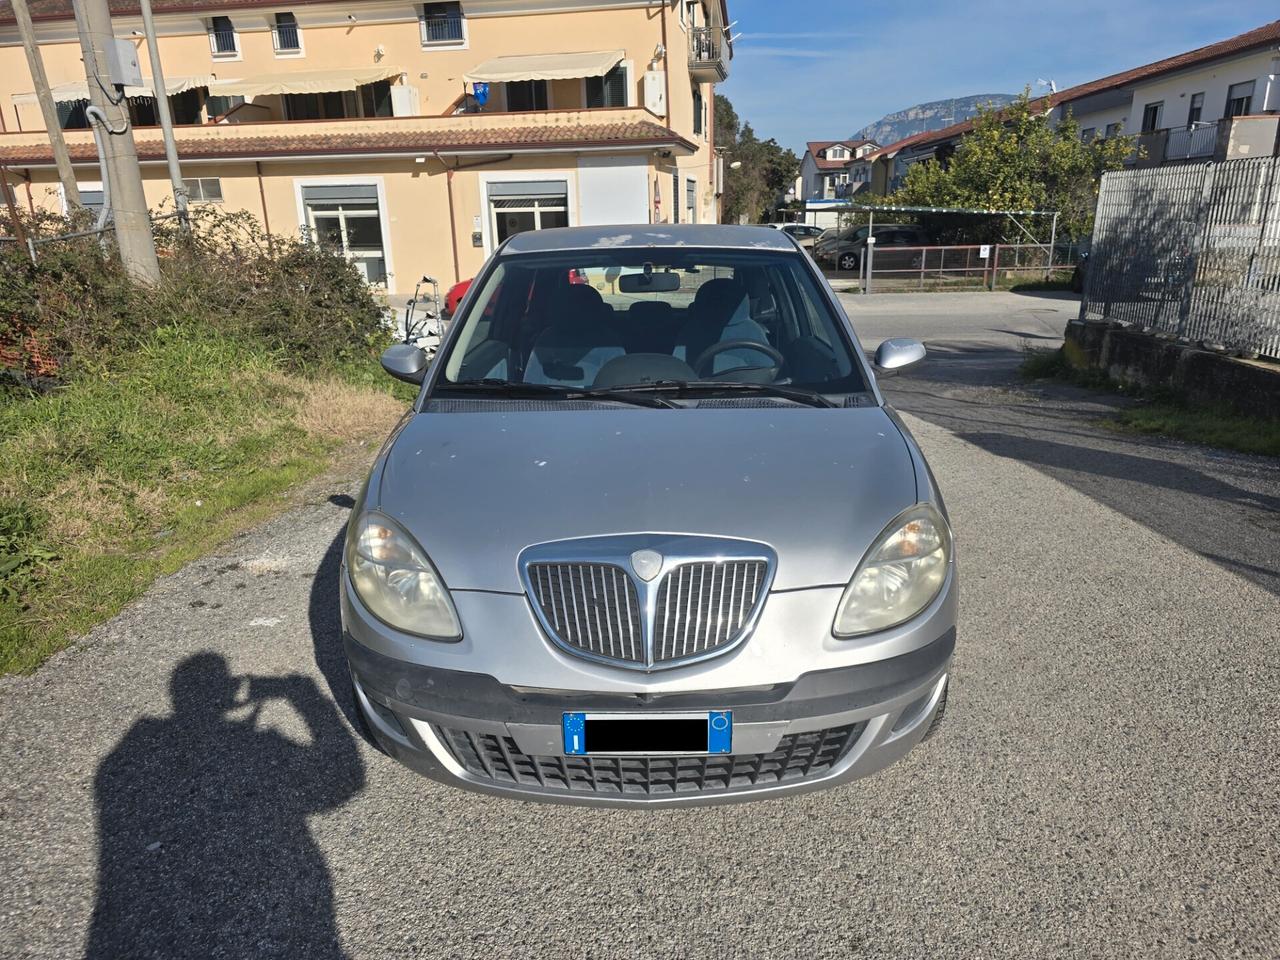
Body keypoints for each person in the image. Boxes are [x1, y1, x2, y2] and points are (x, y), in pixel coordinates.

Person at [86, 653, 365, 959]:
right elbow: (347, 782)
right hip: (277, 911)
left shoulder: (127, 755)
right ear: (231, 694)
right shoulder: (257, 743)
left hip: (130, 928)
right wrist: (304, 695)